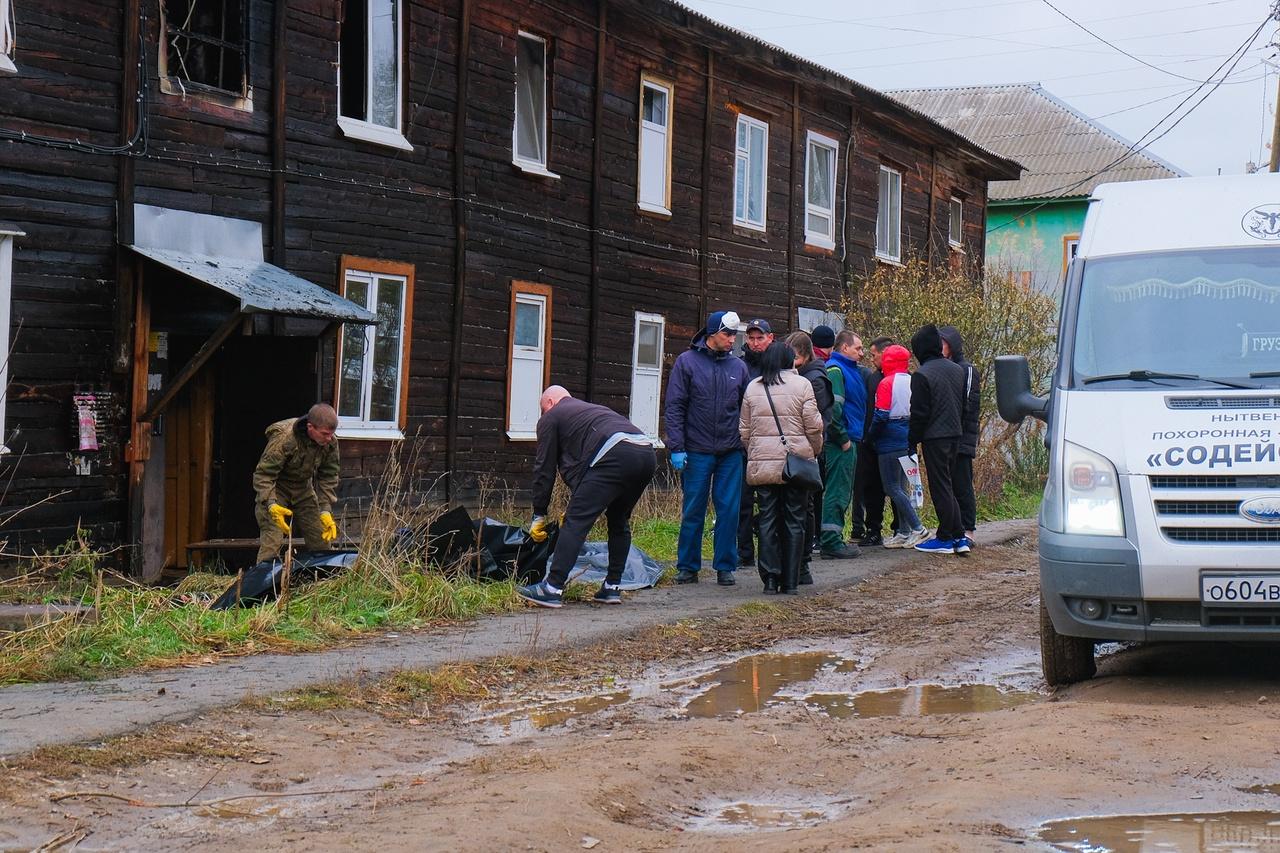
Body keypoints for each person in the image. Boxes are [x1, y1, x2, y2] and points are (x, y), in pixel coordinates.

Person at [516, 387, 657, 608]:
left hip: (614, 454)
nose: (543, 415)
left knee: (576, 522)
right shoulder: (589, 411)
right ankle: (611, 587)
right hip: (645, 453)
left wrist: (539, 514)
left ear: (550, 403)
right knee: (619, 521)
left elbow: (544, 470)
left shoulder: (551, 416)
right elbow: (586, 462)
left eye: (543, 410)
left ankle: (552, 588)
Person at [666, 310, 751, 586]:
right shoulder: (687, 363)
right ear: (712, 333)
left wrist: (744, 443)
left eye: (734, 335)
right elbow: (675, 406)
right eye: (727, 334)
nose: (731, 340)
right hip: (697, 449)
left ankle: (725, 565)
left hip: (730, 450)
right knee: (694, 508)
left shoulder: (738, 368)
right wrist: (676, 446)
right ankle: (688, 566)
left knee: (729, 509)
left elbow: (746, 409)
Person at [739, 341, 823, 594]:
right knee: (795, 519)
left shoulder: (753, 388)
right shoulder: (802, 385)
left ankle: (770, 579)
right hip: (795, 463)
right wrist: (814, 450)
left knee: (767, 520)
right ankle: (791, 580)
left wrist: (756, 452)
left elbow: (744, 430)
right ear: (789, 361)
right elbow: (814, 426)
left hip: (762, 466)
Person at [252, 403, 341, 564]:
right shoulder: (285, 439)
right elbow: (263, 475)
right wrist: (270, 504)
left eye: (332, 434)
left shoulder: (330, 442)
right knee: (273, 539)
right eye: (325, 434)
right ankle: (260, 585)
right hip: (276, 487)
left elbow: (328, 476)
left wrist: (325, 510)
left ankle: (325, 580)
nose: (329, 438)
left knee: (320, 536)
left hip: (303, 488)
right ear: (310, 427)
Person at [908, 324, 969, 555]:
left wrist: (911, 441)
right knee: (950, 485)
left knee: (940, 486)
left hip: (935, 437)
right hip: (955, 434)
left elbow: (919, 413)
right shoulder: (957, 370)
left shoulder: (922, 375)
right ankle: (959, 536)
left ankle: (945, 537)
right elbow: (963, 405)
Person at [868, 344, 930, 549]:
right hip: (907, 435)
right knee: (901, 485)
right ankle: (903, 532)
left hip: (889, 438)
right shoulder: (913, 380)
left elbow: (881, 415)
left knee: (892, 487)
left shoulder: (886, 383)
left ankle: (917, 528)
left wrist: (870, 437)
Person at [786, 330, 832, 584]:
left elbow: (815, 420)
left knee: (808, 505)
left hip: (809, 449)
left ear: (803, 354)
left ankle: (805, 557)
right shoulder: (808, 376)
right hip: (805, 448)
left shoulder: (814, 379)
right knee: (806, 505)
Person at [820, 330, 866, 560]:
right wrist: (843, 439)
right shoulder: (837, 370)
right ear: (844, 348)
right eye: (858, 348)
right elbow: (834, 411)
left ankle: (832, 538)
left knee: (841, 491)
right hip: (841, 442)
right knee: (837, 491)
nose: (862, 353)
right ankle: (830, 541)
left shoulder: (848, 370)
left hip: (848, 438)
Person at [737, 318, 775, 569]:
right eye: (750, 338)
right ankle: (743, 552)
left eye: (759, 338)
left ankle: (769, 553)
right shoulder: (740, 366)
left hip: (771, 443)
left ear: (770, 338)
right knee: (742, 501)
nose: (754, 343)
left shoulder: (778, 365)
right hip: (744, 443)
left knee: (770, 502)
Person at [851, 335, 895, 546]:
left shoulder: (902, 379)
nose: (871, 359)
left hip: (893, 443)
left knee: (896, 487)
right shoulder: (872, 378)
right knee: (872, 487)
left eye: (874, 355)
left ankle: (901, 527)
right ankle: (873, 529)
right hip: (870, 441)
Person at [939, 325, 981, 549]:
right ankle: (954, 526)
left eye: (943, 343)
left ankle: (968, 529)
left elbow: (968, 404)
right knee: (949, 483)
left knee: (963, 483)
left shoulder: (968, 369)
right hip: (948, 436)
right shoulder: (944, 368)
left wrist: (958, 430)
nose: (940, 347)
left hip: (962, 435)